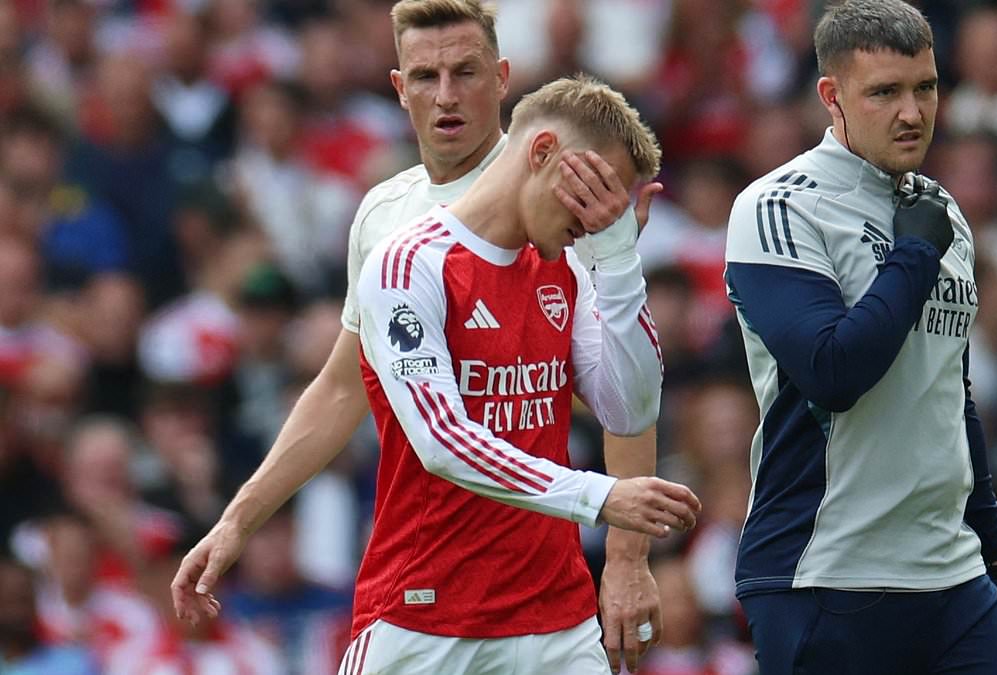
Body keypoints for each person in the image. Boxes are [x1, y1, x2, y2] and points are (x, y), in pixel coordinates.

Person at [171, 1, 692, 672]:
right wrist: (238, 518)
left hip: (548, 603)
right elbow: (340, 388)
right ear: (399, 88)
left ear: (503, 78)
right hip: (423, 597)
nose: (446, 96)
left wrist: (626, 558)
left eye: (466, 72)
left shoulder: (569, 192)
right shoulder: (388, 221)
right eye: (425, 76)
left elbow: (623, 402)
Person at [340, 73, 697, 674]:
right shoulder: (408, 265)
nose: (595, 218)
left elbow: (630, 410)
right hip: (422, 618)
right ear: (541, 153)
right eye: (589, 193)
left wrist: (617, 258)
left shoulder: (570, 268)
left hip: (556, 621)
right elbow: (442, 442)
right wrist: (599, 495)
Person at [722, 2, 997, 674]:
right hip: (825, 573)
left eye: (926, 87)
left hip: (952, 574)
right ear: (832, 96)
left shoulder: (942, 211)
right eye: (885, 92)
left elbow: (950, 390)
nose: (913, 113)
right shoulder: (778, 205)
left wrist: (996, 551)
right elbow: (833, 371)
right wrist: (913, 256)